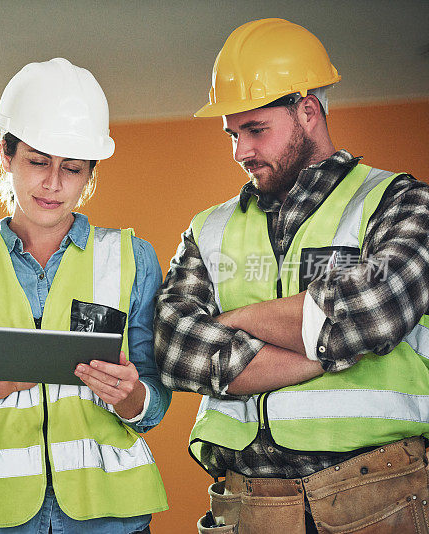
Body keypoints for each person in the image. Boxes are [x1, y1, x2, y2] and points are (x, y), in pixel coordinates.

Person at [154, 18, 429, 534]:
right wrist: (327, 352)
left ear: (308, 111)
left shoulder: (400, 203)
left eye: (256, 130)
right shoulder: (208, 228)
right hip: (244, 503)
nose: (240, 151)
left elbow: (372, 313)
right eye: (233, 133)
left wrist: (231, 321)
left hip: (377, 496)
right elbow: (173, 347)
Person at [0, 57, 170, 533]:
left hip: (110, 518)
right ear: (6, 153)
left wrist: (131, 396)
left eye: (73, 169)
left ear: (90, 172)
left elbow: (154, 401)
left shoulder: (131, 257)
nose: (53, 184)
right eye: (38, 162)